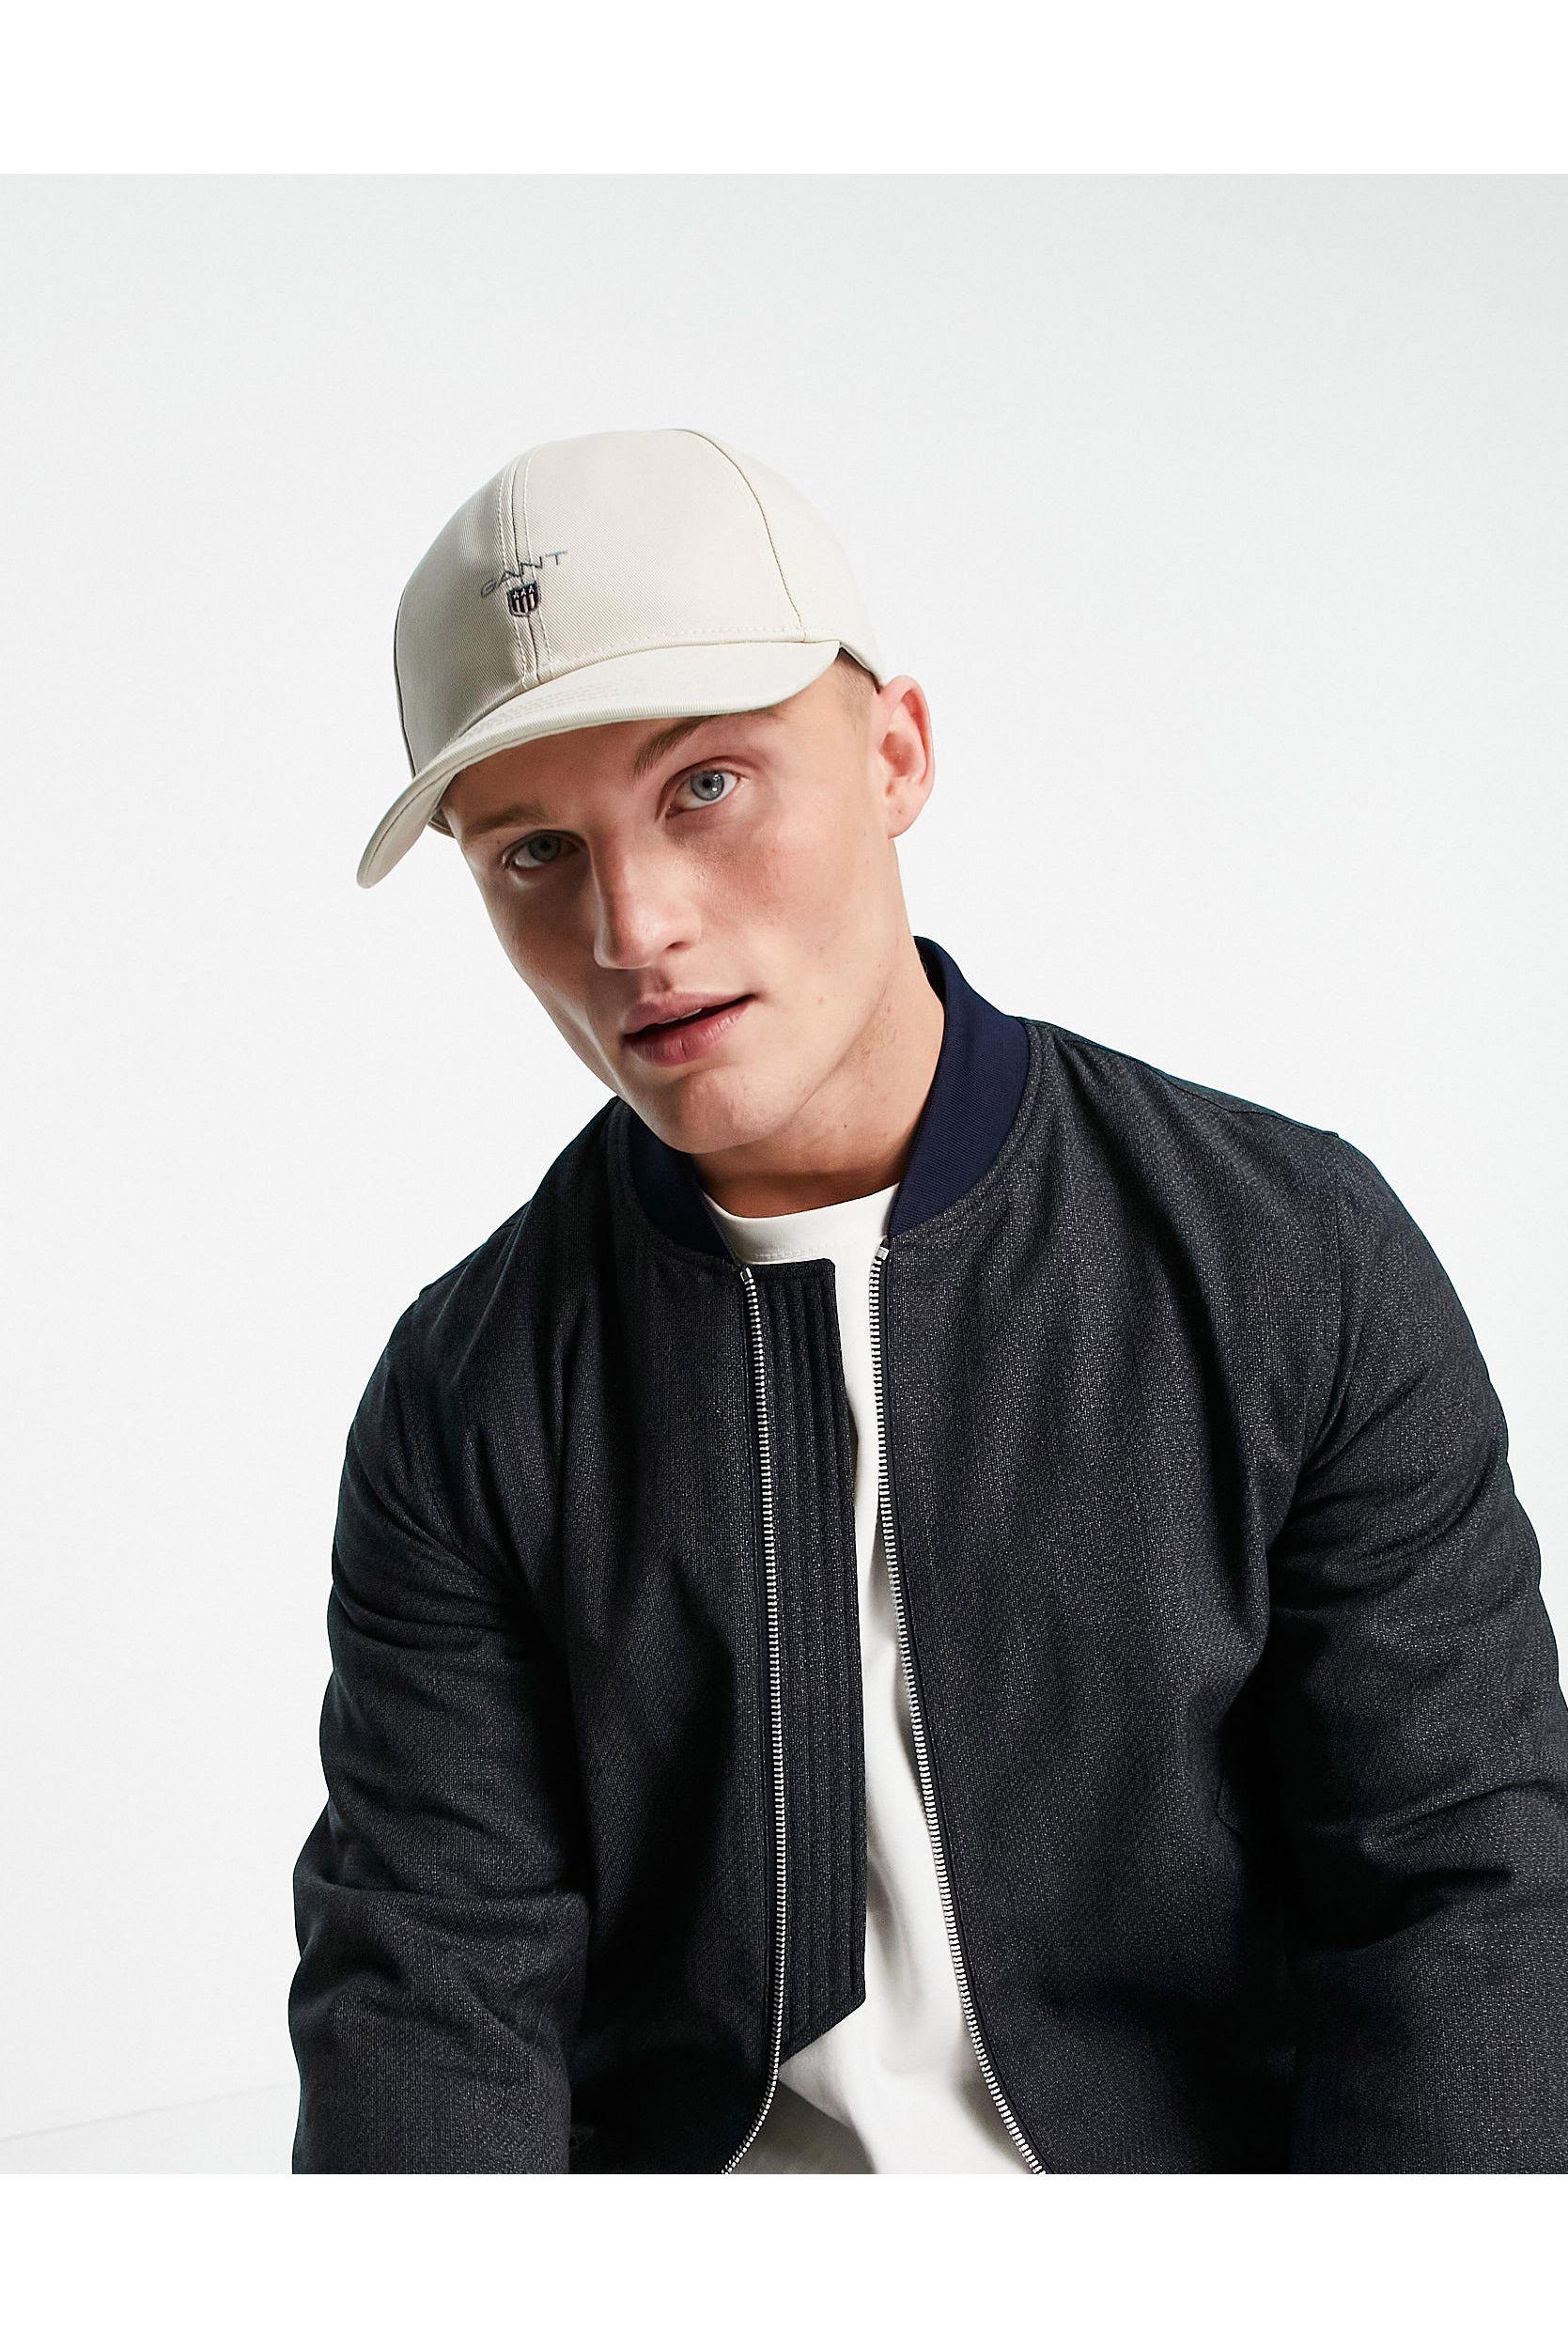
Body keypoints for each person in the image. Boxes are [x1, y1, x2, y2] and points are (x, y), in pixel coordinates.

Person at [287, 427, 1568, 2173]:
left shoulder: (1286, 1257)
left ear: (895, 753)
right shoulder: (473, 1391)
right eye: (531, 853)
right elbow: (430, 1991)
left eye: (704, 786)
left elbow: (1465, 1901)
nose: (632, 927)